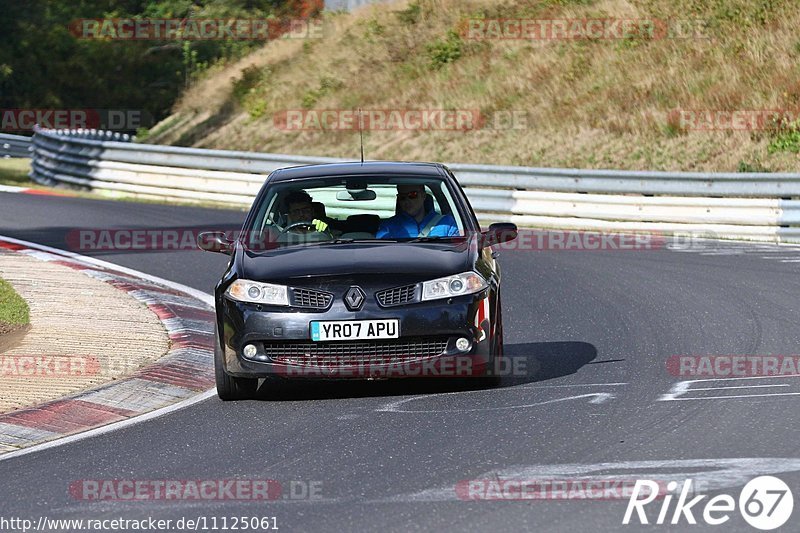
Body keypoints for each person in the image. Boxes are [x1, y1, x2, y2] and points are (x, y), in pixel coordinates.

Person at [376, 184, 460, 239]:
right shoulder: (387, 227)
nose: (407, 201)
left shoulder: (447, 223)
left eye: (413, 195)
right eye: (402, 197)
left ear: (423, 196)